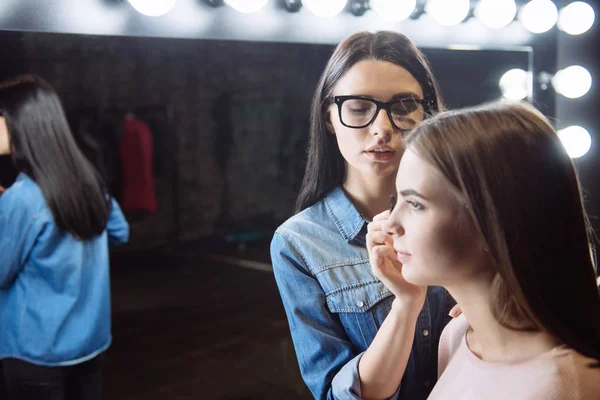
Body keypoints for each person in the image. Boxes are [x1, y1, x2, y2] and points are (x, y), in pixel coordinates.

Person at [368, 101, 600, 399]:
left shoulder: (566, 386)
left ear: (494, 220)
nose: (389, 224)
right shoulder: (457, 336)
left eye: (415, 204)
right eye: (396, 200)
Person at [270, 31, 455, 400]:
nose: (382, 128)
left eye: (404, 106)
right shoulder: (300, 243)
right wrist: (406, 303)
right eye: (358, 107)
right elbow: (338, 393)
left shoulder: (466, 212)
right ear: (329, 116)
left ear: (428, 114)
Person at [0, 74, 129, 400]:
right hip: (90, 342)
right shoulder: (88, 180)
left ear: (19, 124)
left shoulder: (22, 199)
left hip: (36, 350)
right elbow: (119, 232)